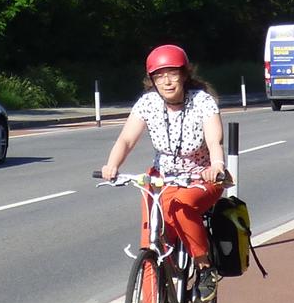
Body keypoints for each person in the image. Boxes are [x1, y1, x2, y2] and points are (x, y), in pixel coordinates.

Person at [98, 44, 230, 266]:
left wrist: (216, 165)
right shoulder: (148, 103)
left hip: (201, 178)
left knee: (181, 205)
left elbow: (214, 140)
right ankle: (152, 298)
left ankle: (203, 264)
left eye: (172, 74)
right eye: (159, 76)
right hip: (162, 179)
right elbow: (126, 140)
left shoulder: (201, 101)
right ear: (152, 80)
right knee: (151, 243)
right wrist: (112, 165)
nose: (166, 81)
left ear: (184, 74)